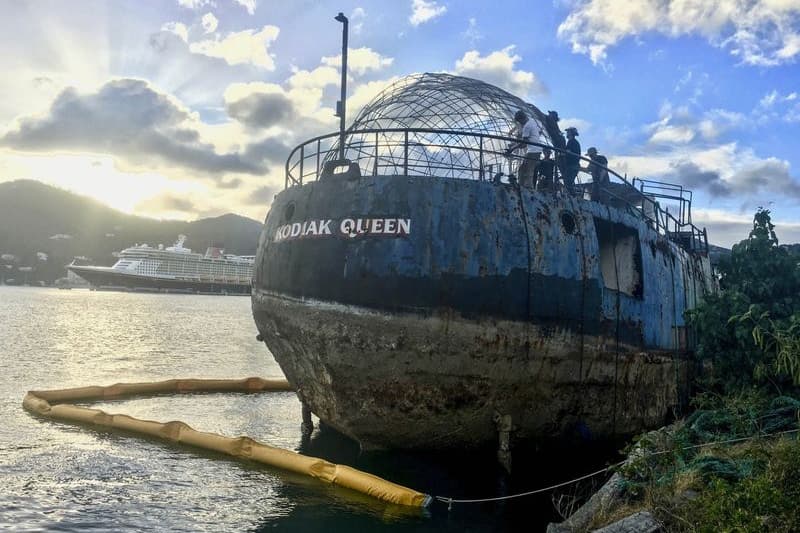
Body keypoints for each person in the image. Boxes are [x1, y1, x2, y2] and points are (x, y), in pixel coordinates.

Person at [505, 110, 541, 187]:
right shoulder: (531, 122)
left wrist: (512, 149)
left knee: (526, 171)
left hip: (533, 151)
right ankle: (523, 187)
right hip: (536, 150)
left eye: (519, 121)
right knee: (524, 169)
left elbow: (524, 143)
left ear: (521, 119)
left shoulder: (526, 127)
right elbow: (525, 143)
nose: (520, 124)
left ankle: (526, 188)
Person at [562, 127, 581, 194]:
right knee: (568, 182)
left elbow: (568, 152)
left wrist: (563, 153)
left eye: (568, 132)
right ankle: (571, 196)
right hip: (573, 165)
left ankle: (572, 197)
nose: (567, 133)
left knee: (568, 182)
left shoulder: (572, 142)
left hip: (572, 165)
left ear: (571, 133)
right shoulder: (573, 142)